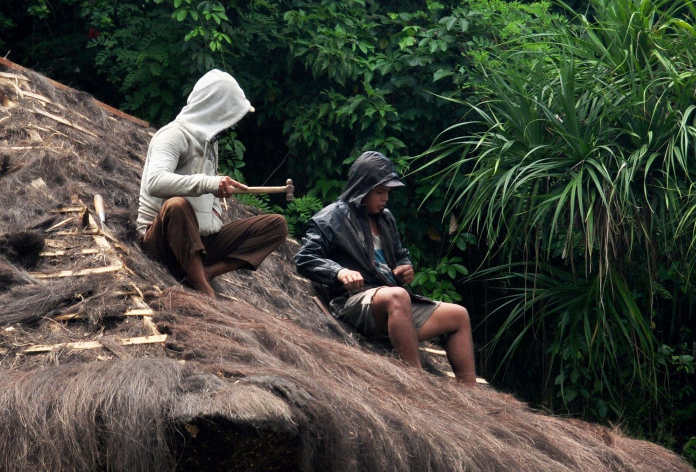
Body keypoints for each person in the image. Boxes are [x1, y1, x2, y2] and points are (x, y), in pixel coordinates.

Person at [296, 151, 477, 384]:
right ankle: (417, 382)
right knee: (397, 296)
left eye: (388, 193)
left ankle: (472, 396)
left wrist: (405, 267)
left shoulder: (386, 218)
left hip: (392, 305)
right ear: (362, 189)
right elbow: (305, 257)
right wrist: (339, 271)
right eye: (380, 192)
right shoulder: (331, 218)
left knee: (459, 315)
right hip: (354, 302)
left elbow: (400, 255)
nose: (385, 199)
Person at [137, 70, 288, 295]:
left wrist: (215, 203)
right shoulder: (171, 135)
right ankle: (202, 287)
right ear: (216, 109)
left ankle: (206, 273)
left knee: (276, 225)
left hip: (198, 241)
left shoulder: (209, 143)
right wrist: (210, 184)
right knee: (176, 205)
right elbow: (155, 182)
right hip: (161, 241)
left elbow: (205, 190)